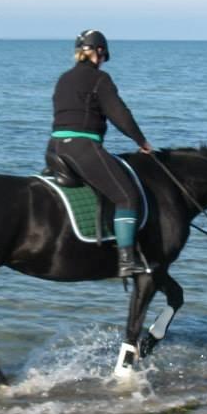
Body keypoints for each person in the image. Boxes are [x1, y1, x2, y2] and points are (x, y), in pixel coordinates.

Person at [47, 29, 153, 277]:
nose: (103, 60)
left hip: (55, 147)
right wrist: (141, 141)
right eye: (103, 56)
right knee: (127, 196)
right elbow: (119, 114)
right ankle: (126, 261)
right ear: (100, 52)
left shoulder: (64, 78)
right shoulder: (99, 79)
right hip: (81, 148)